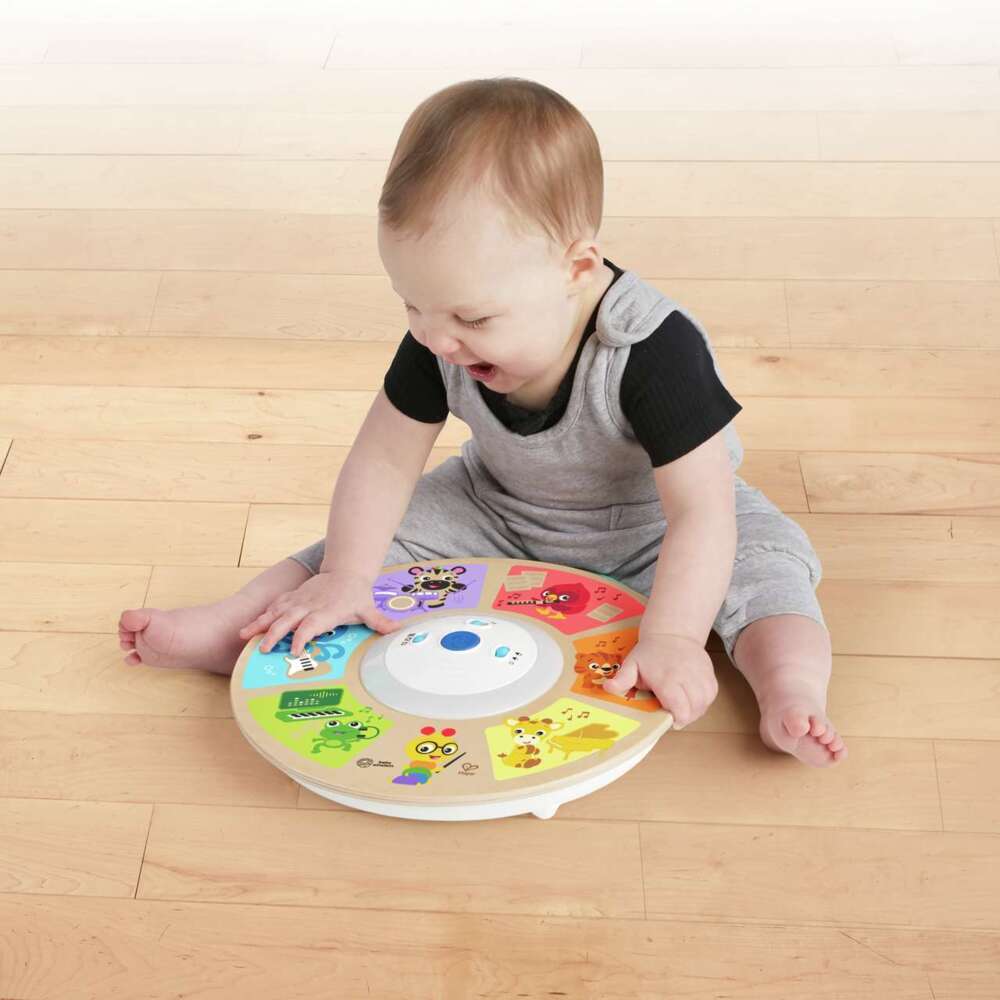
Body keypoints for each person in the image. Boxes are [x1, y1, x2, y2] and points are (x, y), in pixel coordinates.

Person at [118, 77, 846, 767]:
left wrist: (677, 634)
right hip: (496, 506)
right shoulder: (442, 334)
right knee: (354, 548)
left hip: (657, 530)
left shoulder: (653, 349)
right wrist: (347, 574)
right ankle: (239, 626)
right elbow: (384, 461)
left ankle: (789, 688)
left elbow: (701, 513)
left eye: (472, 318)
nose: (438, 339)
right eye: (412, 304)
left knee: (765, 569)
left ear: (576, 269)